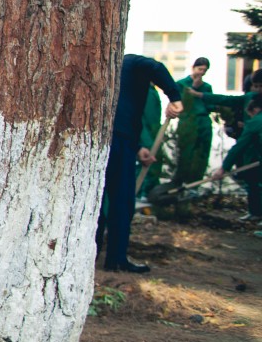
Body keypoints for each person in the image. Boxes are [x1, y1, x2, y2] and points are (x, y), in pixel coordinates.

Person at [102, 54, 183, 273]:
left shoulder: (110, 68)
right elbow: (155, 66)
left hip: (105, 140)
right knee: (122, 202)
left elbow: (121, 116)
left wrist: (138, 149)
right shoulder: (131, 62)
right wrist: (175, 98)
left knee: (97, 202)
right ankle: (116, 260)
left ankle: (93, 255)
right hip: (119, 141)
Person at [210, 97, 262, 222]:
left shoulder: (255, 122)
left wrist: (223, 168)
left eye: (250, 114)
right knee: (254, 183)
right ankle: (256, 213)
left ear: (255, 110)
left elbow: (239, 147)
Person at [173, 58, 215, 186]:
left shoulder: (207, 87)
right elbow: (178, 102)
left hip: (203, 121)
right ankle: (179, 182)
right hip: (188, 121)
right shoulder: (182, 84)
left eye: (204, 70)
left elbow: (210, 106)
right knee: (186, 153)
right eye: (199, 69)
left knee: (202, 153)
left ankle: (195, 183)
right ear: (193, 68)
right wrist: (193, 88)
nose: (201, 73)